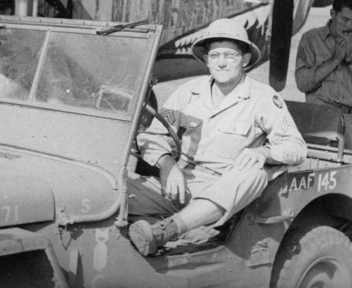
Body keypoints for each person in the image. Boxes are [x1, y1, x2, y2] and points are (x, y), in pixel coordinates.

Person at [128, 18, 307, 256]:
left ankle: (168, 230)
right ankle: (187, 227)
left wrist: (263, 152)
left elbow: (296, 147)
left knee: (254, 173)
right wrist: (167, 165)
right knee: (117, 190)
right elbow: (152, 136)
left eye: (230, 56)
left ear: (244, 60)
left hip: (224, 190)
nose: (221, 63)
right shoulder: (187, 93)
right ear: (206, 60)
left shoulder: (263, 98)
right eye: (214, 56)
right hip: (183, 183)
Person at [295, 0, 352, 151]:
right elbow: (302, 83)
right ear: (332, 13)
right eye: (345, 19)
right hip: (319, 120)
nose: (349, 26)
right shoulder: (310, 39)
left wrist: (351, 61)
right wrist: (335, 60)